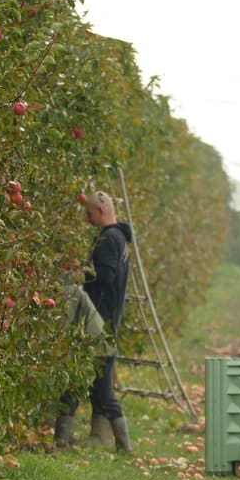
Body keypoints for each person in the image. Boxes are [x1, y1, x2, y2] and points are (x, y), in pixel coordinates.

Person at [54, 190, 133, 453]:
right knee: (78, 382)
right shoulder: (120, 238)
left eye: (89, 214)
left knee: (97, 388)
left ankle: (124, 447)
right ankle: (64, 440)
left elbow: (106, 278)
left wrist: (81, 275)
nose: (87, 220)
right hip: (105, 323)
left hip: (97, 324)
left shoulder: (109, 239)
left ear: (101, 211)